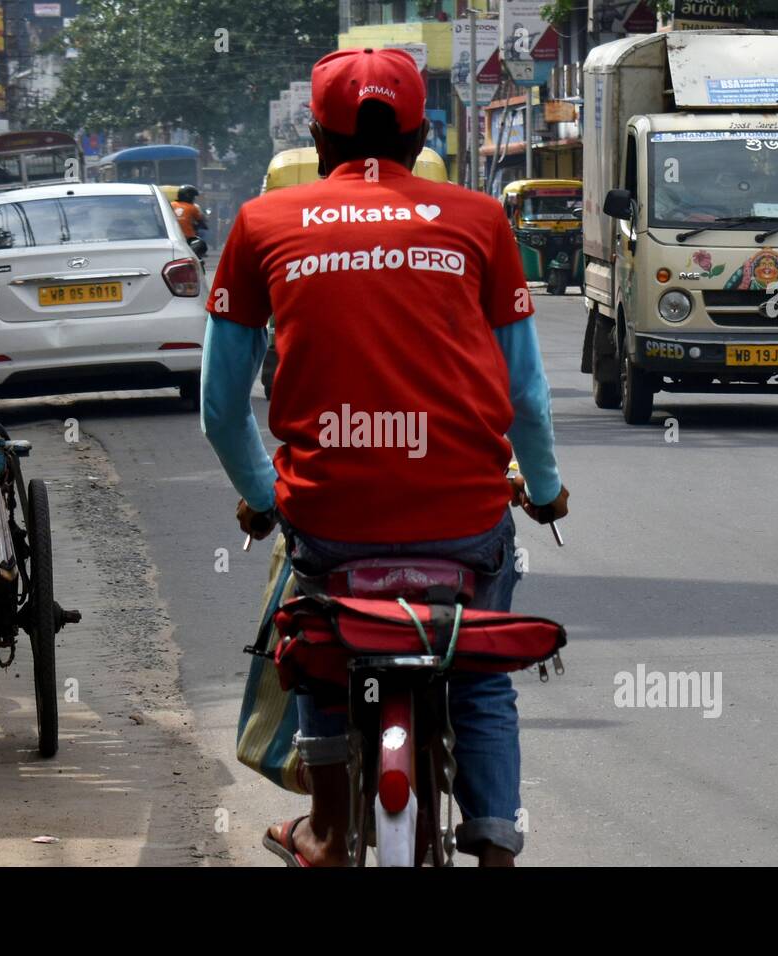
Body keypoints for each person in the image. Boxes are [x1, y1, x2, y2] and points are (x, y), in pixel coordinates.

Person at [201, 47, 568, 867]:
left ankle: (329, 831)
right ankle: (497, 845)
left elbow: (221, 409)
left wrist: (265, 497)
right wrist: (544, 490)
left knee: (320, 655)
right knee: (477, 672)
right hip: (465, 524)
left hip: (330, 526)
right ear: (421, 133)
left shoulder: (262, 225)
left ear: (319, 138)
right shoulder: (479, 221)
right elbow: (528, 399)